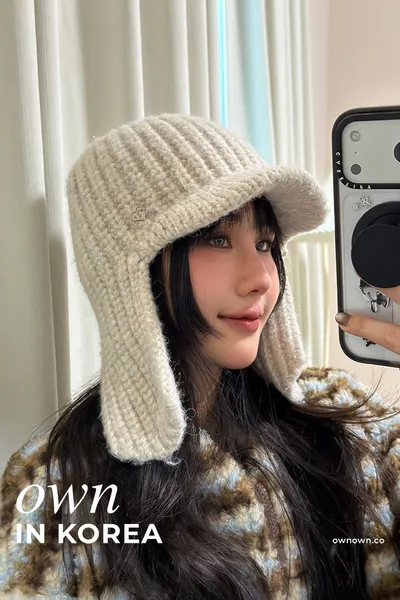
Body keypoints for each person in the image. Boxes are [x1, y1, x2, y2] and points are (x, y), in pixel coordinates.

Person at [1, 114, 400, 600]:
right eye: (217, 239)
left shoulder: (343, 417)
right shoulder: (57, 489)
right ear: (131, 272)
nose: (261, 277)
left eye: (265, 243)